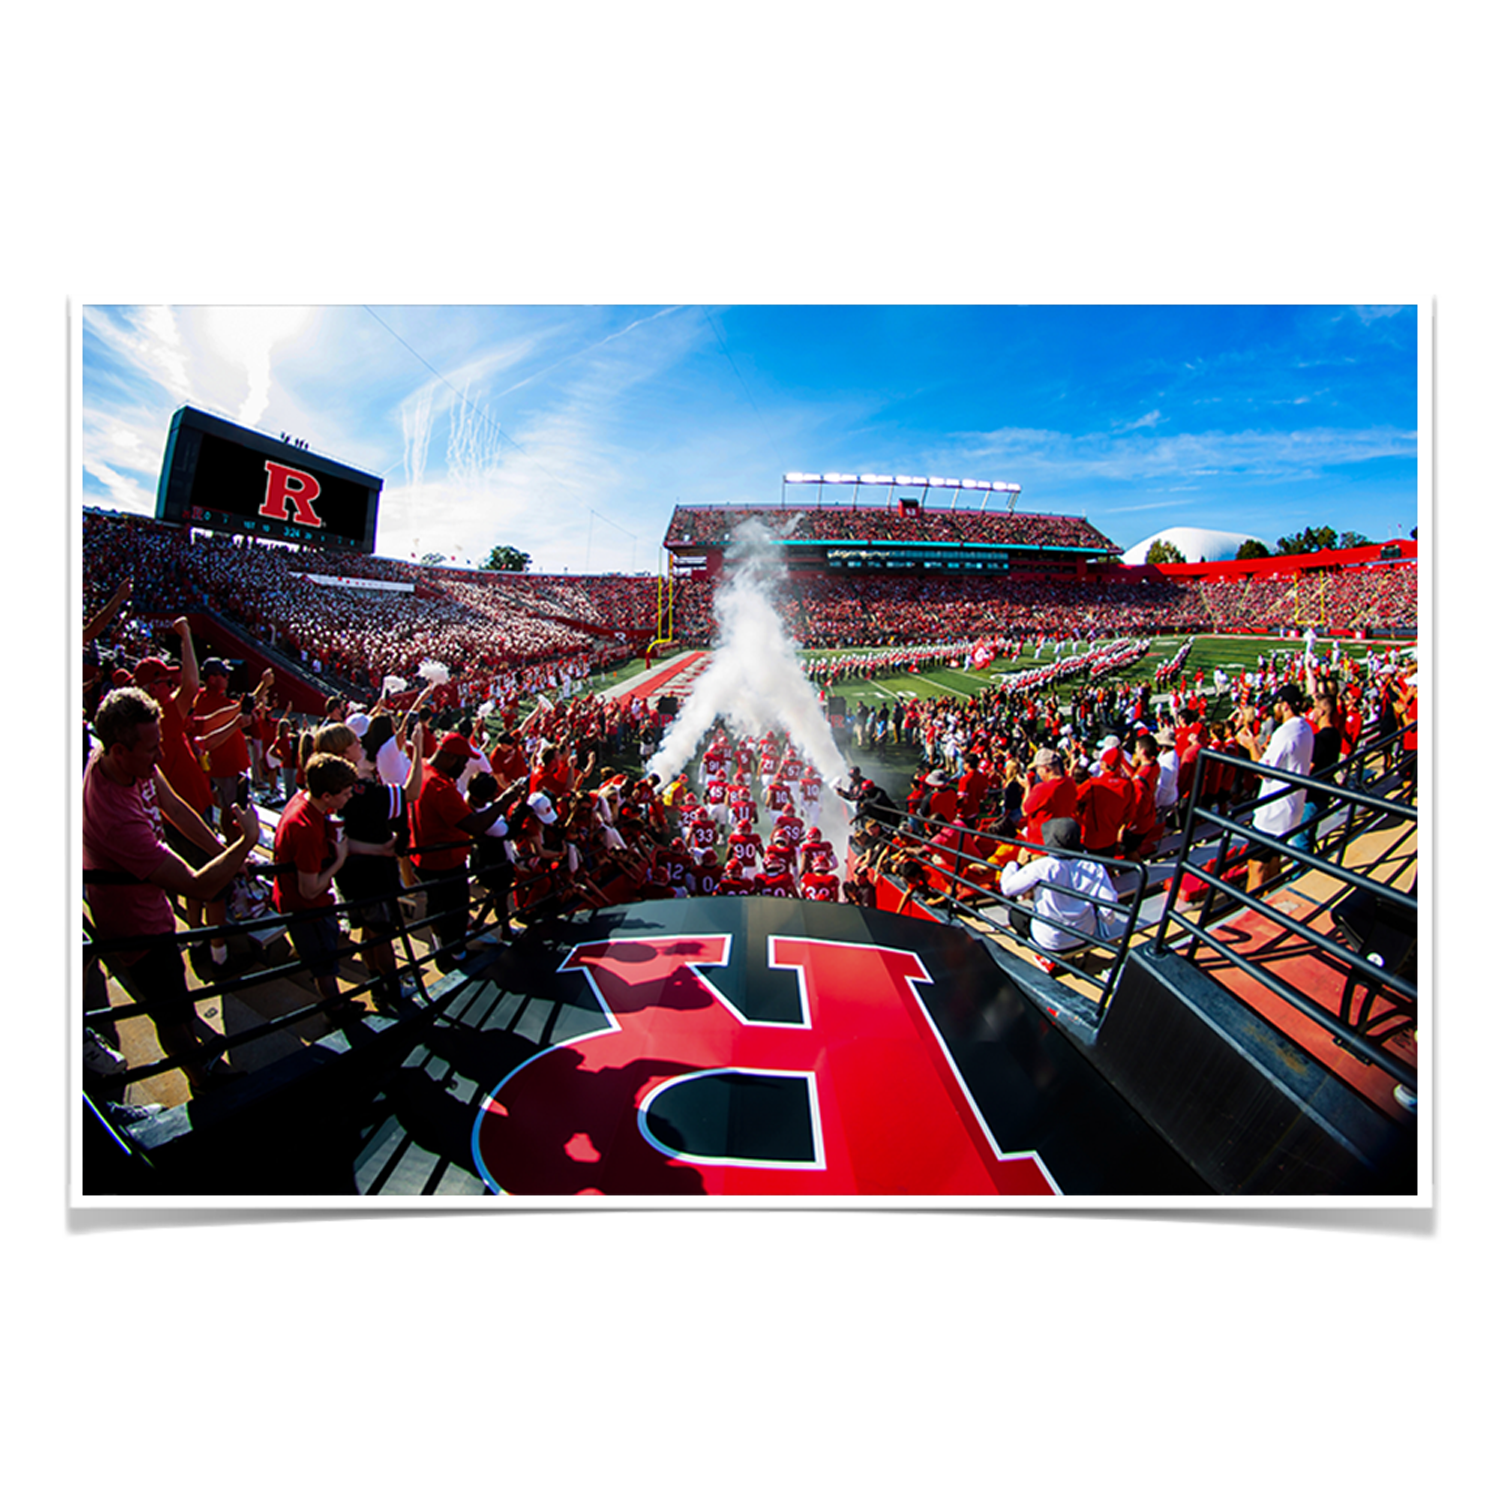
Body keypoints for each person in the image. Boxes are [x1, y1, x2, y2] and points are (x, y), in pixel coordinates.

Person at [83, 687, 261, 1093]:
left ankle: (202, 1068)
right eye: (151, 750)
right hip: (137, 929)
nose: (160, 757)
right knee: (172, 1015)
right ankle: (200, 1083)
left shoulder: (132, 761)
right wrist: (245, 843)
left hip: (152, 910)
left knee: (178, 1002)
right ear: (116, 751)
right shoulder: (115, 819)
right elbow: (200, 886)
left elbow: (175, 807)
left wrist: (220, 849)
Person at [410, 731, 510, 970]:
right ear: (450, 757)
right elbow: (475, 825)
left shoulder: (424, 769)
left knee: (441, 909)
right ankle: (454, 957)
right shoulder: (440, 786)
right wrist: (504, 802)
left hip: (426, 856)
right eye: (463, 761)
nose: (465, 766)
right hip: (443, 862)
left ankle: (447, 950)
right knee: (454, 912)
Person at [272, 751, 361, 1015]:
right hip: (308, 911)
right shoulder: (305, 828)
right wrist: (339, 861)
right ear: (327, 796)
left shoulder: (303, 800)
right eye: (345, 793)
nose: (349, 797)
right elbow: (308, 890)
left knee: (321, 956)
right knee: (325, 964)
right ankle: (336, 1011)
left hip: (297, 903)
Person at [998, 817, 1121, 974]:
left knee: (1016, 914)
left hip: (1050, 938)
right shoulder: (1094, 867)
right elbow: (1109, 909)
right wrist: (1100, 921)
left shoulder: (1042, 867)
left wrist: (1012, 865)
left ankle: (1043, 953)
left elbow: (1008, 889)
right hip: (1084, 934)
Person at [1235, 683, 1314, 892]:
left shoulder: (1285, 732)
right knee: (1274, 860)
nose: (1274, 710)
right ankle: (1274, 902)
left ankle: (1252, 914)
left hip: (1274, 811)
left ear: (1285, 705)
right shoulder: (1305, 727)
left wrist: (1251, 746)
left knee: (1256, 865)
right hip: (1291, 805)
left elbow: (1263, 771)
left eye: (1277, 705)